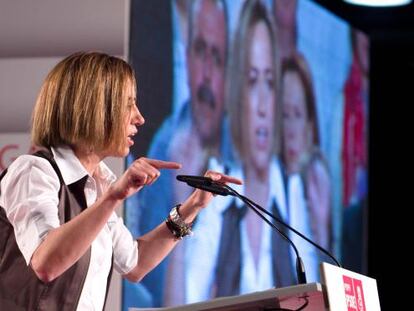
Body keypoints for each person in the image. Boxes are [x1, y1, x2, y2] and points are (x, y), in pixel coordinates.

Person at [0, 51, 241, 311]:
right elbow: (45, 264)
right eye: (128, 105)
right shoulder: (33, 171)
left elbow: (135, 264)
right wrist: (114, 196)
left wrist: (194, 206)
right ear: (92, 108)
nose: (139, 117)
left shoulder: (99, 184)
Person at [185, 1, 296, 303]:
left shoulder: (291, 192)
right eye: (252, 82)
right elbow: (188, 298)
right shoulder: (218, 190)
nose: (262, 105)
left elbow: (317, 297)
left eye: (270, 83)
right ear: (237, 95)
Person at [126, 0, 230, 306]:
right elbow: (140, 280)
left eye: (218, 58)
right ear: (187, 58)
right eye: (201, 51)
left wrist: (194, 205)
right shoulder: (162, 154)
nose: (208, 74)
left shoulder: (236, 159)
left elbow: (135, 263)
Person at [279, 52, 331, 281]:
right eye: (284, 115)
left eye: (297, 115)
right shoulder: (265, 185)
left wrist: (321, 228)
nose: (289, 129)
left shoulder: (316, 179)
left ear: (310, 123)